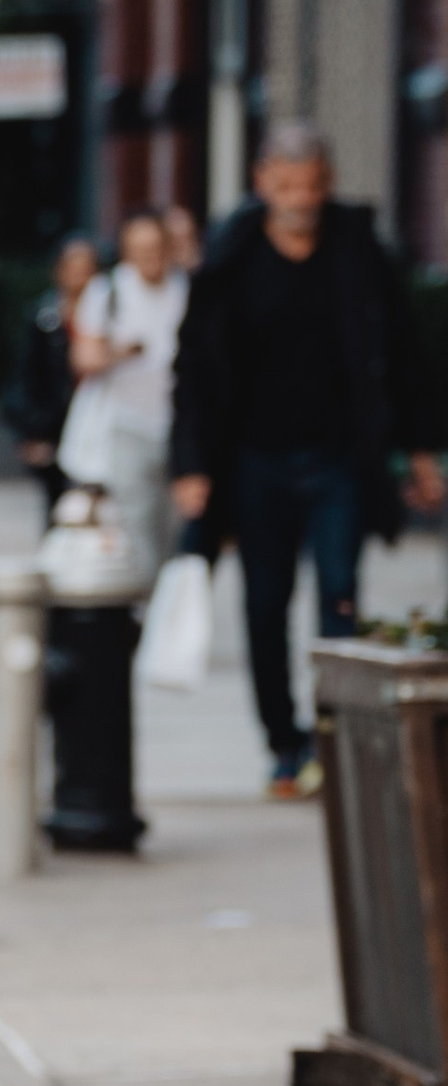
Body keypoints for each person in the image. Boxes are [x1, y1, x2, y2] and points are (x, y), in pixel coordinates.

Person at [170, 124, 446, 800]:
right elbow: (196, 371)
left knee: (340, 595)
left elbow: (404, 357)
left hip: (339, 462)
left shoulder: (359, 251)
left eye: (312, 185)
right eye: (287, 185)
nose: (301, 198)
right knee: (265, 605)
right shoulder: (232, 259)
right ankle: (284, 746)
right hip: (254, 461)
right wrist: (191, 465)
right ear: (262, 183)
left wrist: (417, 451)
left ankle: (337, 737)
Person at [61, 208, 188, 589]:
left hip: (179, 427)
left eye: (156, 247)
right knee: (137, 529)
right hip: (128, 425)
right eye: (140, 249)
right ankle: (147, 617)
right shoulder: (108, 292)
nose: (150, 257)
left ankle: (167, 615)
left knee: (177, 535)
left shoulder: (187, 288)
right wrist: (122, 352)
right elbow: (84, 358)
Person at [10, 236, 100, 501]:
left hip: (98, 424)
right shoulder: (44, 318)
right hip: (56, 428)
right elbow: (26, 377)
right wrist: (32, 432)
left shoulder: (109, 316)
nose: (80, 279)